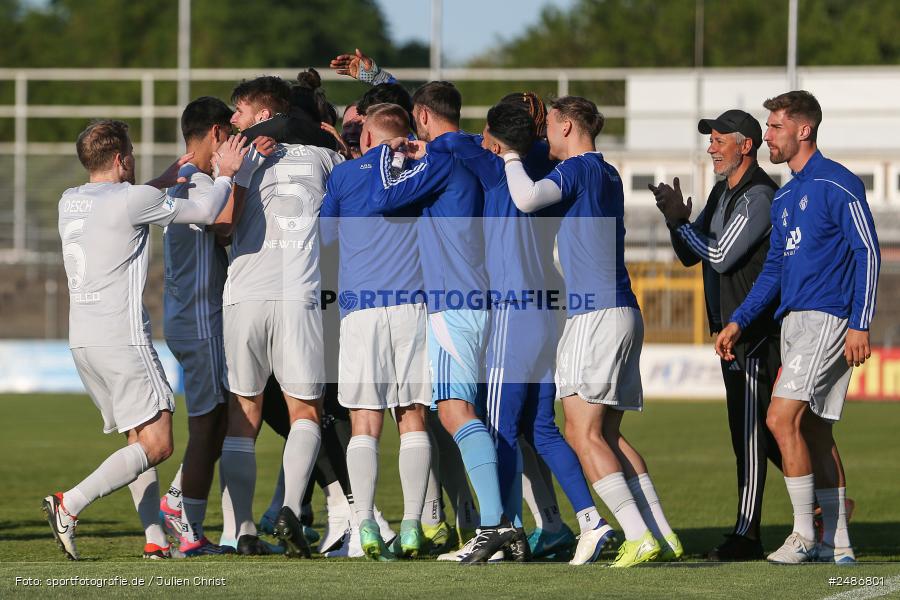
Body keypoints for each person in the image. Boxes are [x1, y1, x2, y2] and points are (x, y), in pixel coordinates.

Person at [419, 100, 616, 565]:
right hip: (550, 308)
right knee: (541, 429)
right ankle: (591, 519)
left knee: (499, 428)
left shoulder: (492, 170)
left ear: (497, 138)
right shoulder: (541, 167)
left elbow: (448, 135)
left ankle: (500, 533)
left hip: (514, 308)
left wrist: (385, 89)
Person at [44, 119, 245, 560]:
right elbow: (209, 213)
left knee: (137, 440)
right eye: (131, 152)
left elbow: (118, 203)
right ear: (122, 159)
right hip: (122, 338)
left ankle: (154, 538)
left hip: (83, 340)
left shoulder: (70, 200)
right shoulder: (135, 198)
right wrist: (227, 172)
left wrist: (162, 180)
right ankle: (70, 504)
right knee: (158, 444)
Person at [503, 96, 682, 567]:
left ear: (565, 126)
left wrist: (510, 155)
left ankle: (637, 535)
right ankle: (662, 535)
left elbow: (525, 199)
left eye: (550, 129)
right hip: (623, 310)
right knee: (609, 436)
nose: (545, 137)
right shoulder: (607, 171)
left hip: (594, 314)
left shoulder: (578, 168)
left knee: (581, 434)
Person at [716, 90, 880, 564]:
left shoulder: (838, 183)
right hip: (794, 323)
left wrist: (860, 323)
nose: (767, 135)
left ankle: (804, 535)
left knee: (778, 418)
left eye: (774, 127)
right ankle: (839, 542)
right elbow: (774, 272)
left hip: (826, 319)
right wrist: (739, 321)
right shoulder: (786, 195)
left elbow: (867, 252)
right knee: (813, 430)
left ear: (803, 129)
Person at [216, 75, 343, 558]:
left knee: (243, 413)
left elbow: (222, 229)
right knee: (305, 411)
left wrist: (232, 173)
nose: (233, 119)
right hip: (298, 295)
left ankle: (240, 530)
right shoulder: (325, 159)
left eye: (240, 110)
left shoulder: (234, 158)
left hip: (244, 296)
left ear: (265, 114)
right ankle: (290, 508)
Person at [649, 109, 783, 560]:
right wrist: (675, 220)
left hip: (753, 330)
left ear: (747, 145)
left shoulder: (758, 195)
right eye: (711, 139)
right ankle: (827, 499)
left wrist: (683, 224)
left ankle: (747, 535)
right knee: (764, 432)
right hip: (733, 331)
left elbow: (721, 255)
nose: (711, 147)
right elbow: (692, 254)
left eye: (721, 139)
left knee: (751, 434)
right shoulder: (722, 191)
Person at [155, 97, 270, 558]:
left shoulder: (180, 175)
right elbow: (222, 225)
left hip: (189, 315)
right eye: (231, 134)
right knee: (208, 423)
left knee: (217, 419)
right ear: (220, 134)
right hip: (199, 317)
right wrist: (240, 171)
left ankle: (187, 511)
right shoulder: (199, 180)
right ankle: (185, 516)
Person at [320, 103, 433, 561]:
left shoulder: (345, 176)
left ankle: (364, 522)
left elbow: (324, 238)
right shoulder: (423, 168)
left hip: (361, 310)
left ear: (366, 136)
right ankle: (410, 525)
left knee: (365, 421)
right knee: (412, 416)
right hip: (412, 305)